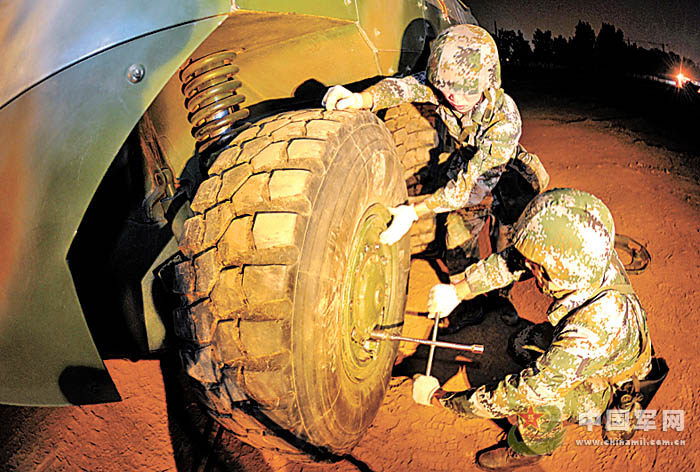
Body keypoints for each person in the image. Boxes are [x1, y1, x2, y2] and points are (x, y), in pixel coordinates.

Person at [412, 188, 659, 470]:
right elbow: (513, 262)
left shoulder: (590, 332)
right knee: (535, 345)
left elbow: (521, 392)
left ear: (559, 270)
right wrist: (459, 291)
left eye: (536, 264)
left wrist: (441, 399)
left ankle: (531, 448)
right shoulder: (588, 255)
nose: (527, 265)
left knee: (541, 401)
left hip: (610, 384)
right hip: (609, 350)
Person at [323, 25, 550, 325]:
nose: (453, 97)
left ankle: (499, 297)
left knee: (509, 241)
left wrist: (413, 212)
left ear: (488, 83)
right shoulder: (445, 84)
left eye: (464, 90)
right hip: (469, 165)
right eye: (447, 89)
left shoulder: (504, 120)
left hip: (507, 175)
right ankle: (463, 303)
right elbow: (402, 88)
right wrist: (360, 99)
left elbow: (471, 188)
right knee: (455, 233)